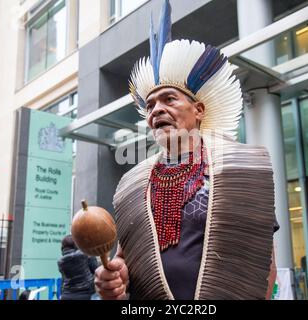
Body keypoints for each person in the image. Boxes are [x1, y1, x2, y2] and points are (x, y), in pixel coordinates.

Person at [94, 0, 278, 300]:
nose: (157, 110)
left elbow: (262, 264)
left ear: (199, 109)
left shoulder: (242, 167)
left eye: (169, 99)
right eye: (150, 105)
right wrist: (112, 283)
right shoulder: (132, 185)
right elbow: (124, 262)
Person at [58, 235, 98, 300]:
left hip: (66, 295)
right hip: (86, 295)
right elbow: (96, 270)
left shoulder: (60, 262)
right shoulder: (86, 254)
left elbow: (63, 279)